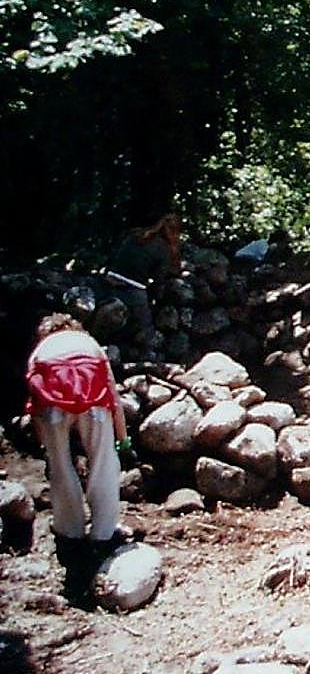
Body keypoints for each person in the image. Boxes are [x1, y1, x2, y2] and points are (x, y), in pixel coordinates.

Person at [25, 313, 129, 595]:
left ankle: (69, 530)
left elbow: (35, 403)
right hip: (93, 402)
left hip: (54, 406)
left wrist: (44, 443)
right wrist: (122, 438)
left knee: (60, 467)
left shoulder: (40, 352)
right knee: (103, 462)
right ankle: (103, 534)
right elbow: (113, 395)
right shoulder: (89, 343)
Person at [105, 213, 183, 352]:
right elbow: (159, 280)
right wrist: (158, 298)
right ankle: (148, 358)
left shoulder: (135, 234)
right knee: (146, 328)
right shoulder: (164, 248)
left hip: (110, 277)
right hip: (133, 286)